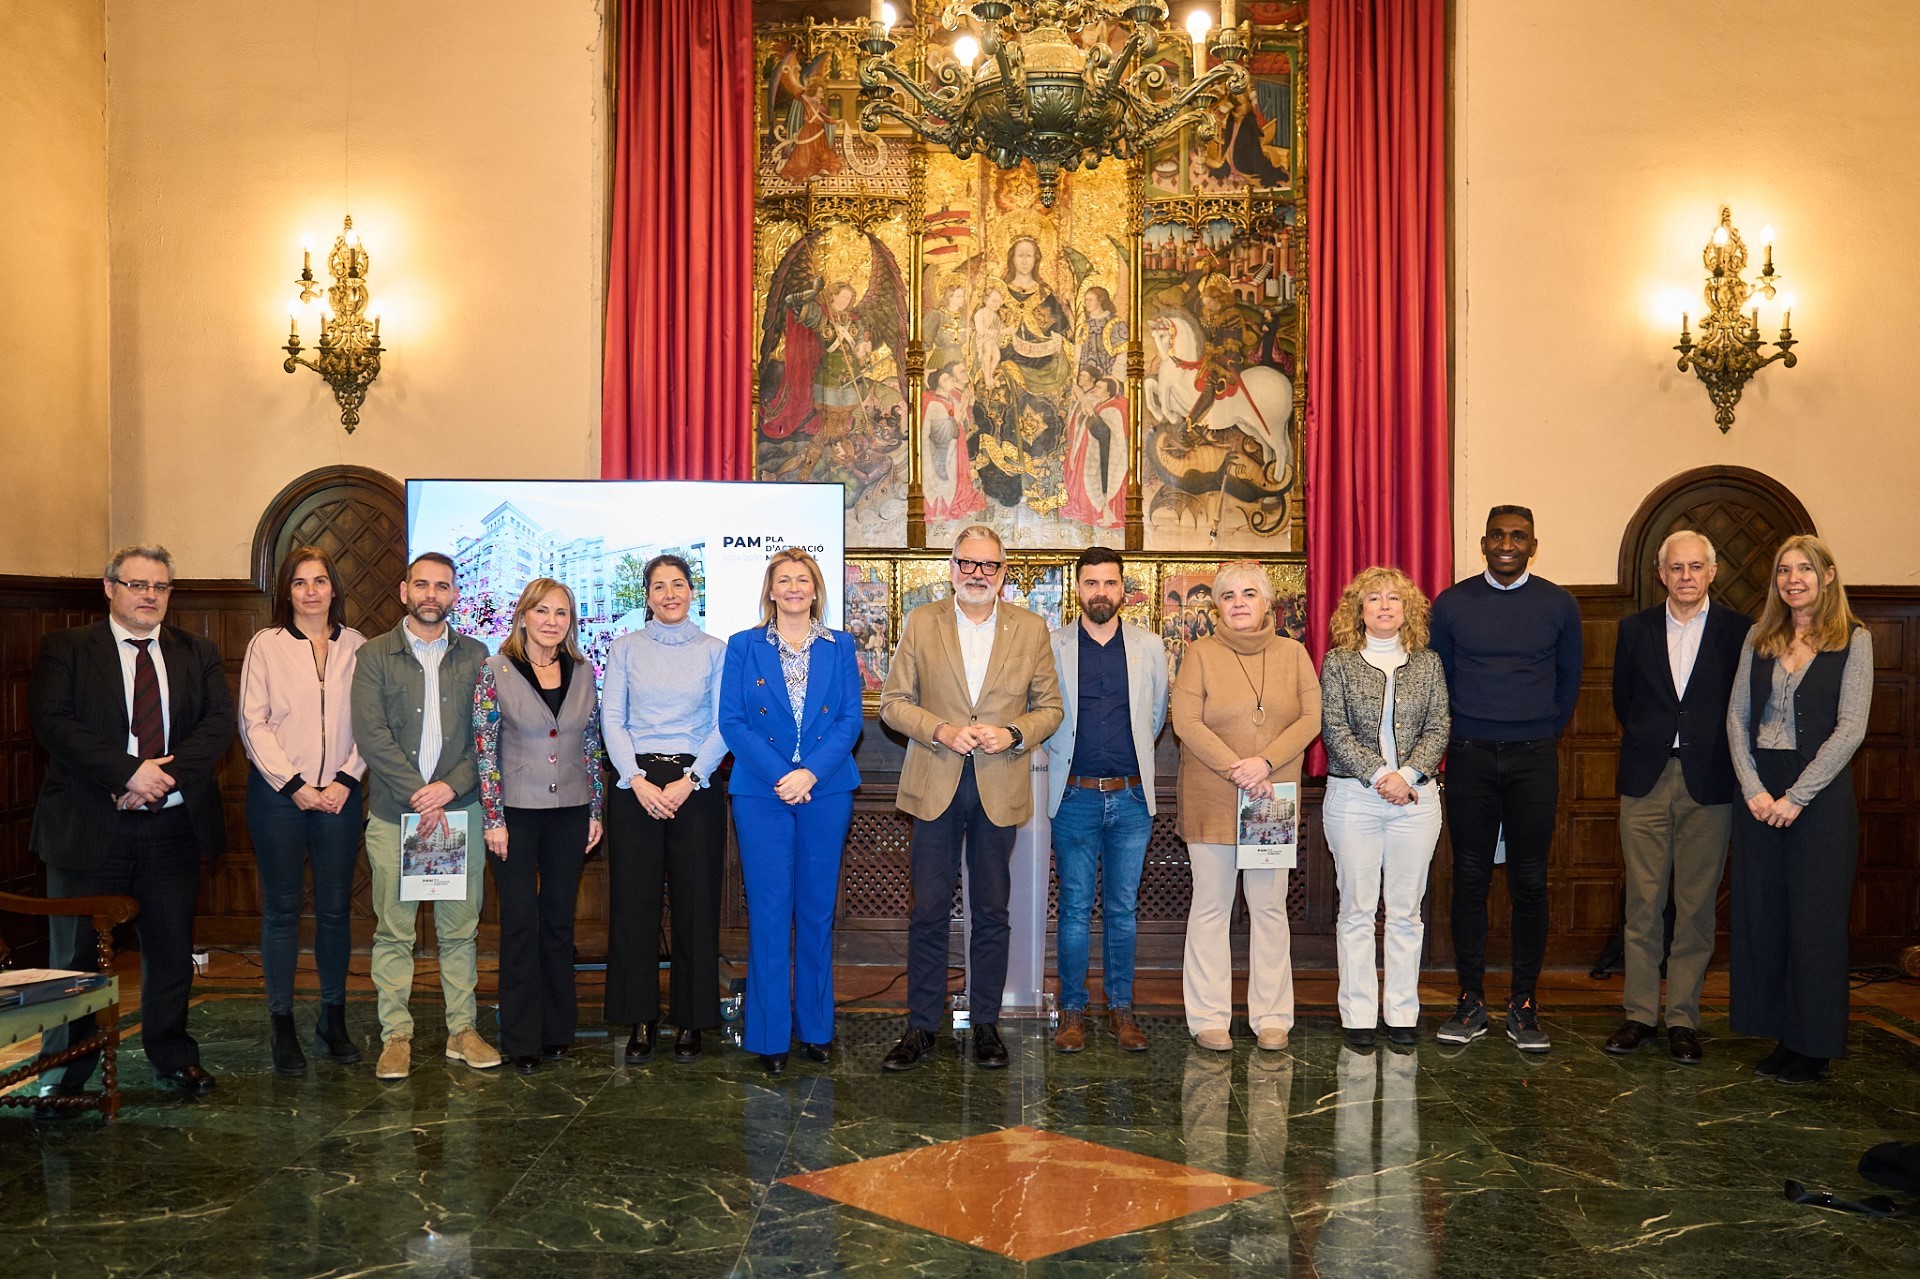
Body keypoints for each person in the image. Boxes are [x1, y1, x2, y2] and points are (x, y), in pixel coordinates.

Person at [29, 545, 236, 1105]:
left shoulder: (197, 651)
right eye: (137, 584)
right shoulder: (66, 648)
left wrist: (158, 780)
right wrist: (128, 773)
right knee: (73, 959)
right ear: (109, 587)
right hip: (88, 825)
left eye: (160, 587)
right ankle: (63, 1072)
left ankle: (173, 1055)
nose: (150, 596)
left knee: (170, 950)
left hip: (171, 826)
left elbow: (217, 725)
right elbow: (53, 723)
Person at [877, 525, 1062, 1071]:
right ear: (952, 567)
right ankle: (920, 1026)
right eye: (967, 563)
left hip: (999, 783)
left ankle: (986, 1023)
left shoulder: (1030, 629)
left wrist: (1013, 733)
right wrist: (939, 729)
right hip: (934, 782)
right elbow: (892, 703)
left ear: (1003, 573)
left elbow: (1050, 708)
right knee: (929, 911)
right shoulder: (922, 622)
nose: (977, 574)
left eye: (989, 565)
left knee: (992, 910)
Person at [1429, 505, 1581, 1052]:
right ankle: (1471, 1000)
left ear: (1533, 545)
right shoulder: (1452, 604)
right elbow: (1441, 676)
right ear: (1484, 543)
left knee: (1530, 881)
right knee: (1470, 877)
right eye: (1498, 535)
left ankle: (1524, 1003)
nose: (1508, 544)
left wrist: (1539, 729)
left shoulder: (1558, 604)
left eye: (1518, 536)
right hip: (1469, 754)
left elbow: (1568, 680)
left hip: (1533, 757)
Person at [1727, 535, 1872, 1085]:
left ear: (1827, 575)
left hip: (1819, 794)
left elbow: (1851, 728)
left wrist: (1797, 797)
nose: (1793, 580)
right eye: (1785, 570)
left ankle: (1813, 1047)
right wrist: (1753, 788)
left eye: (1805, 569)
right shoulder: (1759, 637)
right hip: (1760, 792)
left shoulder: (1854, 639)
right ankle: (1781, 1034)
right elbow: (1737, 717)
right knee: (1764, 916)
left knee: (1816, 922)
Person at [350, 552, 501, 1080]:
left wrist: (447, 789)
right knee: (394, 932)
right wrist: (420, 794)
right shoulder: (374, 655)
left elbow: (486, 737)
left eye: (442, 586)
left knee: (459, 931)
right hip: (396, 815)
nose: (431, 594)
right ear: (404, 591)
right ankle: (396, 1036)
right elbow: (371, 735)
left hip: (459, 815)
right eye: (422, 585)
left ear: (455, 594)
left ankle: (463, 1030)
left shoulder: (477, 655)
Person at [1605, 531, 1749, 1064]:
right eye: (1676, 567)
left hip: (1710, 782)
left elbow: (1744, 703)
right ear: (1660, 574)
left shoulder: (1740, 631)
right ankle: (1640, 1015)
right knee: (1643, 904)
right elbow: (1624, 699)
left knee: (1695, 907)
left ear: (1712, 572)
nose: (1686, 576)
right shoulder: (1634, 628)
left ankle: (1683, 1019)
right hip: (1646, 778)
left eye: (1695, 566)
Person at [720, 548, 864, 1075]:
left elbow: (850, 720)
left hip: (826, 790)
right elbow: (732, 721)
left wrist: (810, 774)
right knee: (769, 913)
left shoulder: (840, 645)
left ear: (815, 589)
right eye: (784, 580)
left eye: (803, 579)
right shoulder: (744, 645)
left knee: (817, 912)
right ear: (771, 590)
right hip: (763, 793)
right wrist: (783, 775)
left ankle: (816, 1029)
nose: (794, 587)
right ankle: (769, 1035)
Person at [1171, 560, 1320, 1052]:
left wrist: (1266, 763)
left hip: (1269, 801)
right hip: (1212, 796)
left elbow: (1310, 718)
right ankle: (1208, 1017)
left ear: (1267, 602)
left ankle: (1272, 1016)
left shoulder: (1293, 653)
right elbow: (1186, 722)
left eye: (1249, 593)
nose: (1239, 603)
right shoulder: (1200, 653)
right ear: (1217, 605)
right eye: (1229, 595)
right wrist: (1237, 768)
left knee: (1269, 909)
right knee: (1211, 908)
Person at [239, 545, 368, 1076]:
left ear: (334, 587)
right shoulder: (265, 645)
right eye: (299, 582)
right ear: (286, 592)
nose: (311, 591)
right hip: (278, 799)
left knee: (336, 911)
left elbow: (371, 721)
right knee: (282, 911)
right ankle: (282, 1025)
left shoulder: (358, 646)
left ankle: (333, 1020)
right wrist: (293, 784)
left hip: (340, 797)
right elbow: (253, 722)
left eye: (319, 580)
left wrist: (345, 778)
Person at [474, 578, 606, 1075]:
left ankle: (557, 1031)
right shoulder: (495, 670)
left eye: (561, 613)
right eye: (542, 611)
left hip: (571, 811)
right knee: (519, 923)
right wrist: (493, 818)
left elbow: (591, 745)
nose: (552, 621)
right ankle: (521, 1037)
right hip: (515, 815)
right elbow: (485, 749)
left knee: (558, 923)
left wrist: (595, 811)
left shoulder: (583, 671)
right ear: (523, 616)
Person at [600, 554, 728, 1065]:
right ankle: (640, 1017)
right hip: (635, 785)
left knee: (697, 904)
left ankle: (692, 1019)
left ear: (692, 591)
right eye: (659, 586)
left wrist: (690, 780)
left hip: (695, 785)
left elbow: (723, 723)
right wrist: (634, 778)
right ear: (647, 596)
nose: (669, 594)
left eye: (678, 584)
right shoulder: (625, 647)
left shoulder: (715, 650)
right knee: (635, 905)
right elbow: (612, 718)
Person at [1043, 547, 1168, 1054]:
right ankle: (1072, 1011)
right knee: (1074, 909)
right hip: (1074, 797)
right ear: (1077, 588)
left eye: (1110, 583)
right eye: (1091, 583)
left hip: (1131, 798)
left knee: (1122, 910)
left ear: (1123, 589)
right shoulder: (1052, 645)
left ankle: (1121, 1010)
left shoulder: (1149, 647)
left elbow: (1154, 718)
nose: (1101, 592)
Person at [1319, 567, 1449, 1049]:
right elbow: (1333, 728)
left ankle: (1401, 1013)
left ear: (1408, 609)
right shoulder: (1338, 662)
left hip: (1416, 800)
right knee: (1356, 909)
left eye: (1394, 598)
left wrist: (1407, 776)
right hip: (1355, 799)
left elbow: (1439, 726)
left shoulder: (1428, 663)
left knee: (1405, 912)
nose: (1385, 605)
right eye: (1374, 598)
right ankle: (1357, 1015)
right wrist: (1380, 776)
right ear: (1359, 610)